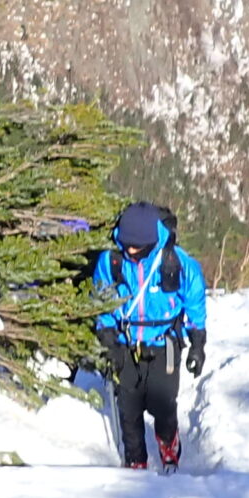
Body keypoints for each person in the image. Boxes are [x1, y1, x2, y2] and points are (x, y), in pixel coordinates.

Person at [91, 200, 207, 470]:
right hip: (126, 342)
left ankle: (168, 444)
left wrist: (197, 344)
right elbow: (101, 302)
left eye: (137, 247)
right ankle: (136, 460)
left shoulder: (177, 262)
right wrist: (107, 338)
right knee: (128, 408)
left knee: (163, 404)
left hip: (165, 342)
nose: (131, 251)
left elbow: (195, 302)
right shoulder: (112, 261)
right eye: (127, 245)